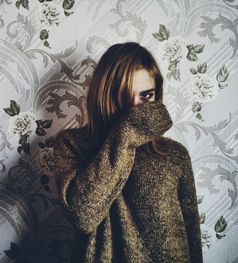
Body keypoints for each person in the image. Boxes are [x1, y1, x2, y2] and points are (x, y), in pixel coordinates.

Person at [52, 42, 203, 262]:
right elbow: (83, 216)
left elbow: (192, 237)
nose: (135, 110)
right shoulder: (71, 145)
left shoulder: (174, 155)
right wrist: (125, 135)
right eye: (124, 96)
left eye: (146, 96)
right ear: (103, 95)